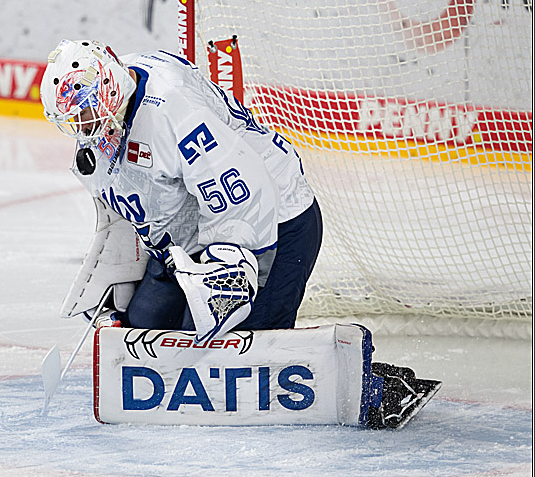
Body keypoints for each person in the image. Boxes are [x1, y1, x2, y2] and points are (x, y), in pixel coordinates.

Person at [39, 39, 439, 428]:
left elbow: (242, 193)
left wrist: (227, 272)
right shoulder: (107, 95)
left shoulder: (173, 109)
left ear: (110, 89)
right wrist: (120, 272)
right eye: (76, 120)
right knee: (143, 339)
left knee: (235, 365)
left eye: (91, 114)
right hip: (189, 236)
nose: (86, 126)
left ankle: (371, 388)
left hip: (273, 225)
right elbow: (129, 196)